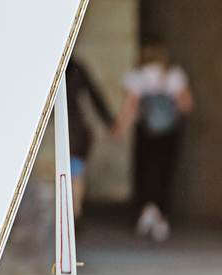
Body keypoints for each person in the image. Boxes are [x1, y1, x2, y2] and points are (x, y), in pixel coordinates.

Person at [112, 42, 194, 242]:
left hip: (146, 132)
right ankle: (162, 217)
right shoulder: (174, 76)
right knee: (165, 172)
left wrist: (119, 127)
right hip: (169, 133)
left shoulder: (138, 77)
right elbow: (187, 105)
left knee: (145, 170)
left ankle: (148, 209)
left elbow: (131, 105)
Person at [65, 58, 115, 219]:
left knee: (71, 172)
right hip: (75, 128)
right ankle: (75, 213)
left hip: (59, 128)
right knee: (75, 174)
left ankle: (71, 214)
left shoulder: (44, 65)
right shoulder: (76, 68)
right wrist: (109, 122)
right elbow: (95, 96)